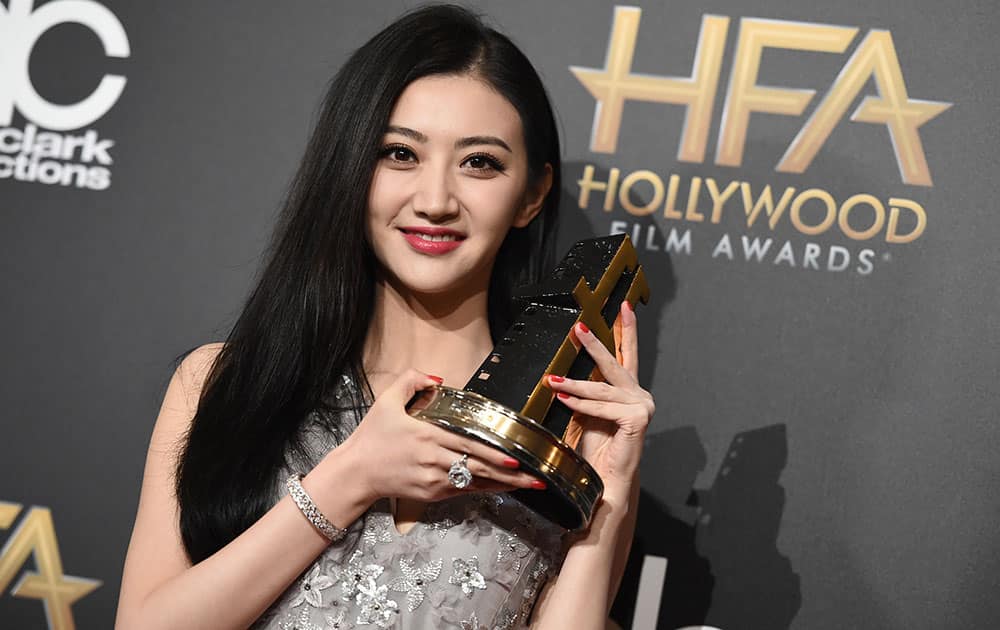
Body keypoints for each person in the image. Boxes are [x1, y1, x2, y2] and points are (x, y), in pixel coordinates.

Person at [116, 5, 654, 629]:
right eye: (400, 154)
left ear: (532, 194)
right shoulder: (220, 385)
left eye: (479, 162)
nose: (434, 201)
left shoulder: (568, 432)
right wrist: (352, 478)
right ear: (351, 168)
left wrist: (608, 491)